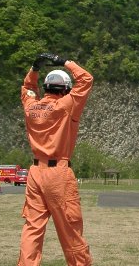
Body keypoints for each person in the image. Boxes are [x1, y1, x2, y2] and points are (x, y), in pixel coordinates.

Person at [18, 52, 93, 266]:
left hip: (35, 174)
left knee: (32, 228)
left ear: (47, 88)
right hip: (58, 173)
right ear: (66, 89)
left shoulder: (31, 107)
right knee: (70, 229)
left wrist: (34, 68)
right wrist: (64, 61)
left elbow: (28, 89)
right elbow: (86, 79)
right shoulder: (66, 106)